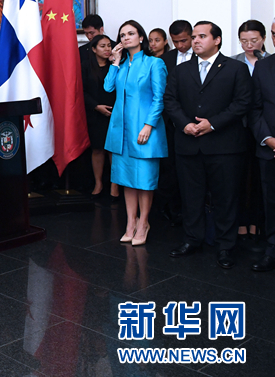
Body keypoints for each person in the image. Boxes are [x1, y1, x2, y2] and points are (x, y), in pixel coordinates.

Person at [165, 21, 252, 269]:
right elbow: (170, 100)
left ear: (217, 40)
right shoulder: (181, 70)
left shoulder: (235, 68)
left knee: (226, 198)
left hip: (224, 146)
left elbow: (242, 102)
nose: (195, 41)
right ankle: (192, 239)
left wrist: (212, 124)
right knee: (191, 197)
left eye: (202, 36)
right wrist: (185, 124)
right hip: (188, 143)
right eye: (194, 37)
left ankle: (226, 246)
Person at [104, 21, 167, 246]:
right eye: (122, 35)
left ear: (141, 37)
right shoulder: (121, 65)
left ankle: (144, 223)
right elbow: (108, 88)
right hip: (121, 130)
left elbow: (159, 98)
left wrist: (149, 125)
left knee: (144, 180)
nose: (126, 37)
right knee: (127, 179)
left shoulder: (154, 63)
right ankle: (130, 223)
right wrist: (115, 62)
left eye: (131, 33)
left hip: (144, 130)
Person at [233, 20, 269, 241]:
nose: (249, 45)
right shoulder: (232, 62)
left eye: (254, 40)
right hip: (240, 127)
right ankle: (242, 222)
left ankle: (258, 223)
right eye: (244, 41)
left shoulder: (269, 62)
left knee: (260, 179)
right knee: (240, 177)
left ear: (264, 39)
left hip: (266, 128)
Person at [158, 19, 193, 226]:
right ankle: (170, 209)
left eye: (184, 41)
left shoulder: (201, 56)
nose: (180, 45)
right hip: (169, 122)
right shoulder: (164, 59)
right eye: (176, 41)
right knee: (169, 168)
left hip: (194, 121)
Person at [249, 17, 275, 271]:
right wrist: (268, 139)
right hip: (270, 148)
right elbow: (255, 108)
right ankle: (272, 249)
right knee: (271, 202)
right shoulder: (263, 66)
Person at [82, 34, 116, 198]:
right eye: (103, 46)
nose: (107, 49)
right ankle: (98, 183)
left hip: (114, 114)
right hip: (95, 114)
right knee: (97, 149)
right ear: (94, 49)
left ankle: (115, 185)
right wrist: (96, 106)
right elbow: (81, 91)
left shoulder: (116, 65)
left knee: (113, 150)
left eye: (109, 45)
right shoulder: (86, 66)